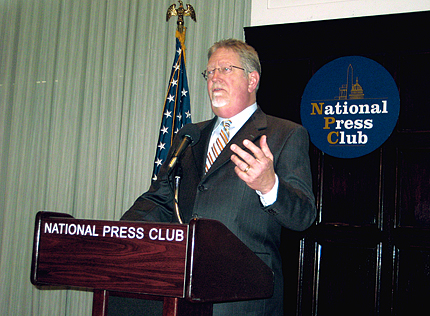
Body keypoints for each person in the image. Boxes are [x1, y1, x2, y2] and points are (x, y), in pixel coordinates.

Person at [121, 38, 317, 316]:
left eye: (225, 69)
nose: (214, 78)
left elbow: (304, 216)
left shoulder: (284, 134)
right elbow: (159, 200)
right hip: (183, 290)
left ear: (252, 80)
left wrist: (269, 186)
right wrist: (117, 235)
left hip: (244, 295)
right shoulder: (190, 136)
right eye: (210, 72)